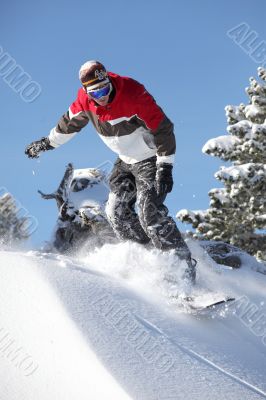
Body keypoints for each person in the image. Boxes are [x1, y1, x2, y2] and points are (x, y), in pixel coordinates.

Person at [25, 60, 197, 284]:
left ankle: (183, 270)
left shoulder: (133, 93)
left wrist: (165, 166)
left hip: (149, 159)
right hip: (125, 161)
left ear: (109, 82)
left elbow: (163, 128)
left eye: (105, 89)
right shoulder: (85, 101)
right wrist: (47, 143)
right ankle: (149, 257)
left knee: (149, 212)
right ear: (87, 91)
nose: (102, 96)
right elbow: (68, 124)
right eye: (96, 92)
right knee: (116, 211)